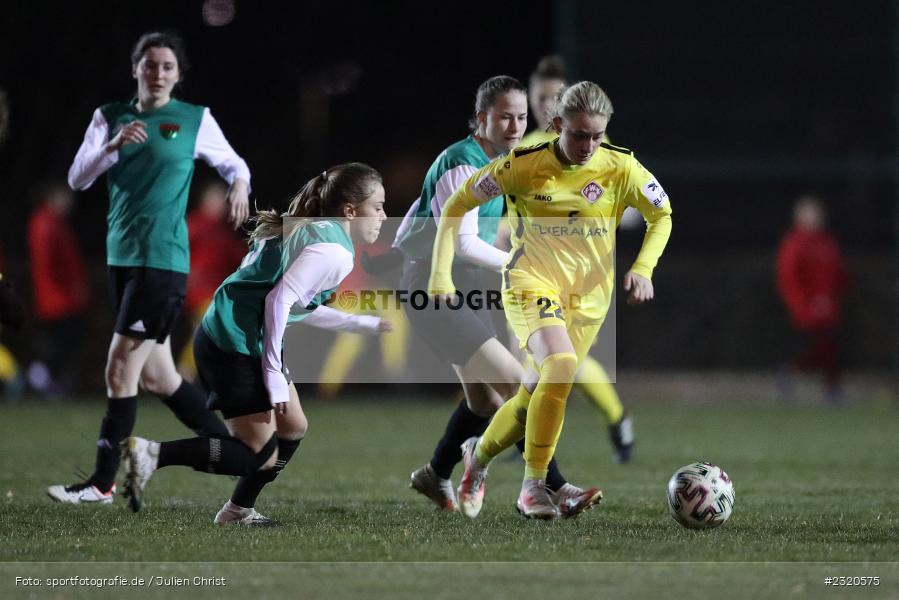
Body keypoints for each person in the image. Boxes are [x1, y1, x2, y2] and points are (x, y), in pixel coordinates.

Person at [428, 81, 673, 519]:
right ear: (558, 124)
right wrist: (440, 273)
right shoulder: (522, 165)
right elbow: (456, 205)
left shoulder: (621, 167)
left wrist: (643, 268)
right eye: (580, 134)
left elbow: (662, 215)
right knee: (558, 366)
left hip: (589, 303)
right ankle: (533, 488)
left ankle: (476, 458)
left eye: (598, 135)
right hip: (530, 284)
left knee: (531, 396)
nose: (589, 145)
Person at [122, 163, 390, 525]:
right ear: (350, 211)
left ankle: (237, 511)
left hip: (236, 335)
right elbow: (277, 303)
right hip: (233, 344)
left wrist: (359, 324)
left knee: (293, 426)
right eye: (378, 207)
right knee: (256, 456)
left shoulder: (312, 231)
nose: (384, 216)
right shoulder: (335, 252)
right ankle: (151, 455)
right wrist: (274, 376)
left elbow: (294, 306)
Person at [48, 31, 250, 504]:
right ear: (135, 68)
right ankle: (236, 453)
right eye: (150, 65)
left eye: (167, 67)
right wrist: (112, 145)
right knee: (158, 376)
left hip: (163, 261)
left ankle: (101, 482)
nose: (158, 74)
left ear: (178, 76)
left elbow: (235, 165)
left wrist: (239, 185)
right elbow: (78, 178)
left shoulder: (194, 119)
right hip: (122, 257)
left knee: (120, 368)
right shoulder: (110, 117)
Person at [397, 75, 601, 518]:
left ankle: (435, 473)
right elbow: (466, 243)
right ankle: (553, 487)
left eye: (521, 117)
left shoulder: (507, 162)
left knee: (485, 402)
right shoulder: (462, 163)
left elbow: (414, 219)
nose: (514, 126)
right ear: (481, 118)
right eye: (505, 117)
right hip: (436, 289)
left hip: (468, 285)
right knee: (518, 383)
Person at [520, 55, 635, 462]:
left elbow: (618, 193)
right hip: (534, 273)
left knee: (567, 363)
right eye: (540, 96)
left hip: (582, 280)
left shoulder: (589, 149)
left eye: (555, 96)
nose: (547, 102)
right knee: (543, 362)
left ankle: (617, 419)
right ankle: (526, 442)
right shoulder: (525, 149)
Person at [776, 194, 848, 402]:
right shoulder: (795, 243)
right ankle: (824, 385)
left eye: (817, 213)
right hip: (808, 310)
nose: (816, 218)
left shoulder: (827, 242)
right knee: (823, 349)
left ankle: (824, 384)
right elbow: (788, 279)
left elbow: (837, 274)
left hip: (830, 307)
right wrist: (802, 306)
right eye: (810, 213)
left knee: (828, 349)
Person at [176, 180, 248, 381]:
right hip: (198, 294)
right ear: (205, 201)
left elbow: (240, 260)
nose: (222, 205)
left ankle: (190, 377)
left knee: (208, 336)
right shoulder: (194, 225)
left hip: (216, 294)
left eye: (224, 201)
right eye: (217, 200)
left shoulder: (223, 233)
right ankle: (185, 374)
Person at [27, 181, 90, 395]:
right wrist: (68, 285)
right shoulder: (44, 223)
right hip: (55, 296)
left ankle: (48, 379)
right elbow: (47, 261)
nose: (68, 203)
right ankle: (38, 377)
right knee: (57, 341)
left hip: (64, 296)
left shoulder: (58, 223)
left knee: (64, 341)